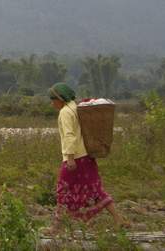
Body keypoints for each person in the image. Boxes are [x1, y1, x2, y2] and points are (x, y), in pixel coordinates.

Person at [46, 82, 126, 232]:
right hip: (87, 157)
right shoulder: (75, 107)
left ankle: (56, 227)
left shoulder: (65, 112)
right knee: (96, 190)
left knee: (63, 191)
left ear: (60, 99)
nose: (52, 103)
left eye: (53, 99)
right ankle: (118, 219)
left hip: (75, 158)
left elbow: (70, 135)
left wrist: (70, 158)